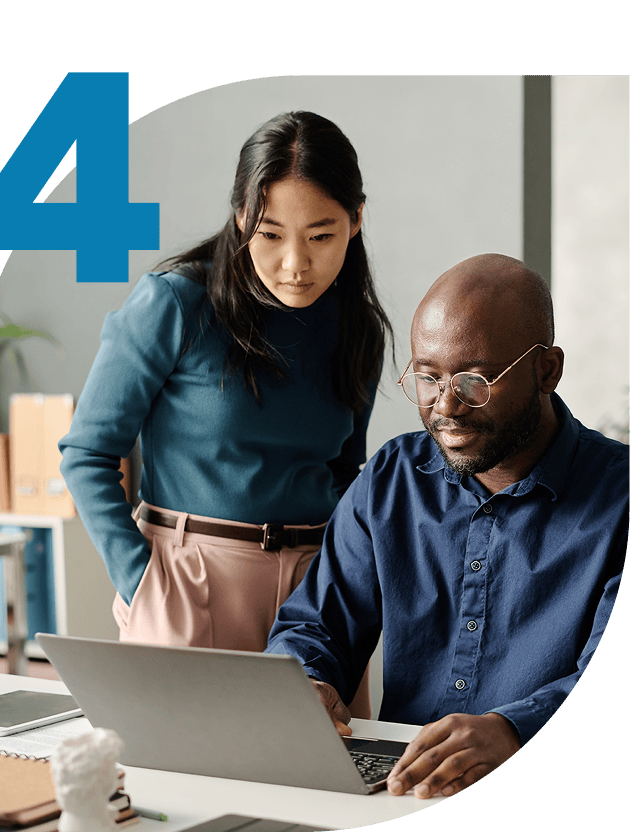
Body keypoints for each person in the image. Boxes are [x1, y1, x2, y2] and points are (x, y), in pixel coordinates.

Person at [59, 112, 393, 718]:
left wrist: (345, 584)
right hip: (188, 583)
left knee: (324, 789)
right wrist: (143, 583)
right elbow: (88, 452)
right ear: (241, 217)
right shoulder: (176, 303)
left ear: (357, 220)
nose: (296, 263)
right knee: (183, 790)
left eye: (321, 236)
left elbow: (347, 472)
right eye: (270, 234)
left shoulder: (357, 328)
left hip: (315, 599)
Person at [266, 252, 629, 796]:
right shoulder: (393, 478)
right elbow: (314, 625)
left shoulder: (619, 499)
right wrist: (304, 681)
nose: (446, 407)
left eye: (474, 382)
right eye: (428, 378)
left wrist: (513, 732)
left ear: (546, 370)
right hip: (400, 793)